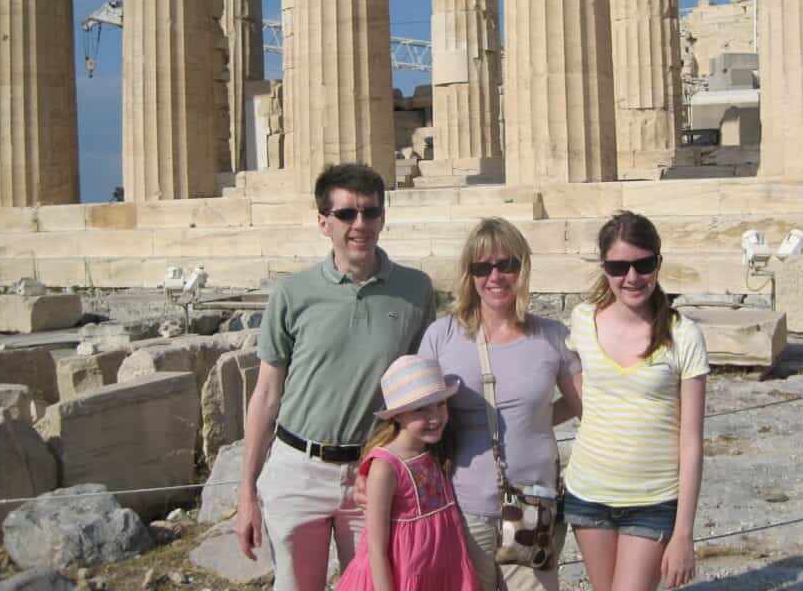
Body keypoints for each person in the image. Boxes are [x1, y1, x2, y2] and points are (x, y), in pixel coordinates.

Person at [236, 163, 437, 591]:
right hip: (297, 470)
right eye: (346, 214)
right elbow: (267, 395)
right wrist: (246, 493)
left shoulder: (416, 290)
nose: (359, 224)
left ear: (383, 218)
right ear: (323, 222)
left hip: (372, 474)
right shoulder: (292, 293)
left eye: (370, 212)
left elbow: (421, 390)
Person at [418, 217, 582, 591]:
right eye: (482, 267)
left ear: (521, 268)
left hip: (532, 506)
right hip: (462, 505)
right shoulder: (441, 335)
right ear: (469, 274)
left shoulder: (551, 336)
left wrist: (534, 419)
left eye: (506, 265)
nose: (495, 276)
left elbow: (585, 404)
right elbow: (413, 417)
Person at [563, 212, 708, 591]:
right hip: (587, 492)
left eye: (643, 264)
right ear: (603, 268)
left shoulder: (684, 335)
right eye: (618, 266)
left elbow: (691, 441)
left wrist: (684, 534)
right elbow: (580, 397)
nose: (631, 277)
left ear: (658, 263)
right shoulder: (582, 321)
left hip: (653, 499)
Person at [335, 354, 479, 591]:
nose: (435, 417)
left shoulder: (435, 450)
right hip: (400, 578)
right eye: (420, 409)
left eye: (441, 404)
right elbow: (376, 550)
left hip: (442, 571)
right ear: (397, 415)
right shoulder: (385, 468)